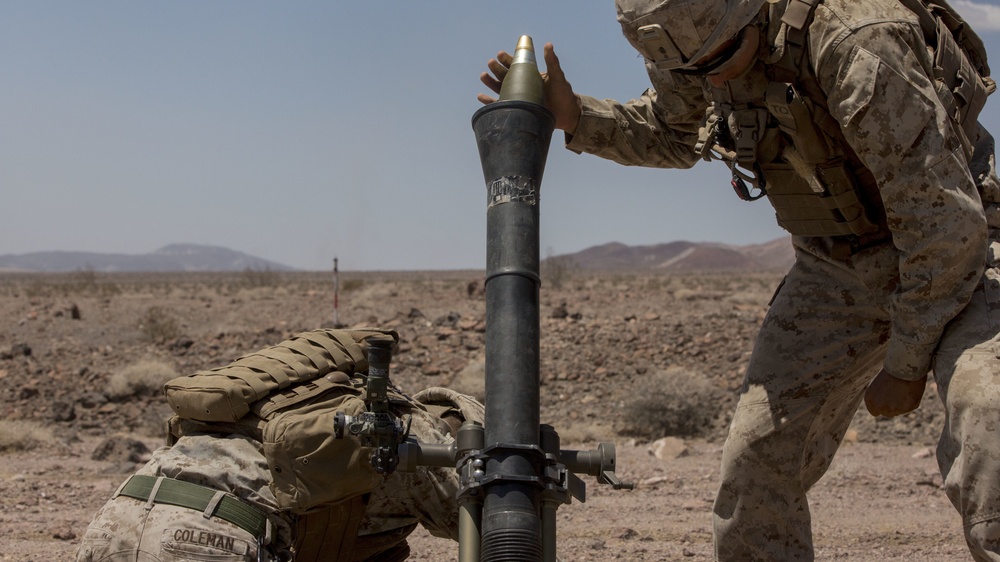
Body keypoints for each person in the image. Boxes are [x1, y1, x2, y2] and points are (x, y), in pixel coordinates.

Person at [479, 0, 1000, 560]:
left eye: (727, 58)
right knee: (757, 464)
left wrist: (905, 364)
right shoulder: (691, 44)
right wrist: (576, 116)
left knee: (989, 416)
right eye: (695, 72)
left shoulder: (860, 40)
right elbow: (676, 132)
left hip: (960, 250)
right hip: (836, 266)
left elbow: (941, 224)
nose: (715, 79)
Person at [75, 328, 484, 562]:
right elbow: (486, 529)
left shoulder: (279, 402)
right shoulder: (407, 429)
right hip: (206, 543)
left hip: (113, 523)